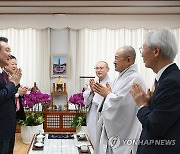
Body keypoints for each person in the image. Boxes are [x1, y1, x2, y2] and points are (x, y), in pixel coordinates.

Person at [130, 28, 180, 154]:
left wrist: (142, 105)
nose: (141, 54)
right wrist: (150, 103)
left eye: (143, 49)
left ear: (156, 51)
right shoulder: (168, 78)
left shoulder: (171, 82)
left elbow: (156, 126)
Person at [93, 45, 146, 154]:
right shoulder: (122, 77)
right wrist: (108, 94)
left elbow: (123, 105)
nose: (114, 62)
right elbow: (117, 99)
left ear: (128, 60)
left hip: (125, 133)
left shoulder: (134, 78)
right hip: (113, 131)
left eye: (117, 58)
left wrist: (108, 95)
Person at [0, 37, 22, 154]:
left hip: (8, 128)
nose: (10, 54)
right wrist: (13, 83)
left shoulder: (3, 74)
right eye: (7, 50)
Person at [83, 61, 111, 147]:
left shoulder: (110, 83)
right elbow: (86, 102)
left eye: (101, 68)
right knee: (93, 139)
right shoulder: (94, 83)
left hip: (103, 115)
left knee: (101, 142)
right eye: (97, 68)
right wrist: (91, 90)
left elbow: (112, 100)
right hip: (92, 114)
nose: (99, 70)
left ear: (108, 69)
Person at [4, 55, 28, 121]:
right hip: (7, 114)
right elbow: (5, 95)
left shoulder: (15, 77)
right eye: (12, 64)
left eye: (16, 64)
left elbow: (16, 93)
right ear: (5, 65)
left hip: (17, 113)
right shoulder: (4, 78)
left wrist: (22, 90)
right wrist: (18, 93)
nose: (15, 66)